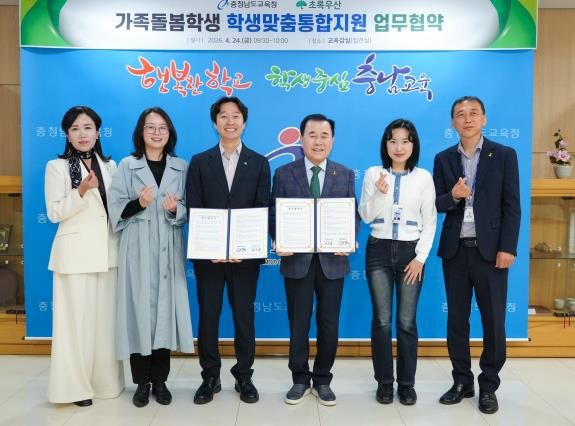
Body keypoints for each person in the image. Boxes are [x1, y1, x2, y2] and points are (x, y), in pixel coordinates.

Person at [433, 96, 520, 414]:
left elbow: (512, 205)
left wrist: (507, 247)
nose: (467, 118)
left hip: (491, 253)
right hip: (455, 252)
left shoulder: (504, 155)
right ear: (453, 122)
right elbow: (437, 203)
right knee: (457, 320)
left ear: (484, 119)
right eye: (460, 114)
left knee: (493, 321)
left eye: (473, 113)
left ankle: (489, 385)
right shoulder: (443, 159)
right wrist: (453, 196)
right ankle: (462, 381)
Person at [185, 96, 270, 405]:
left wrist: (241, 246)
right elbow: (194, 207)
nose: (230, 121)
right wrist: (212, 246)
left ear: (244, 122)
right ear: (215, 122)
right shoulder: (200, 161)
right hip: (209, 257)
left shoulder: (259, 162)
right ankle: (210, 376)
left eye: (236, 116)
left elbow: (262, 208)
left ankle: (244, 375)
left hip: (244, 257)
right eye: (224, 116)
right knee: (208, 316)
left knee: (244, 316)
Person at [108, 107, 194, 408]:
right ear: (140, 132)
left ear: (170, 133)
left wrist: (175, 210)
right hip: (137, 247)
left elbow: (190, 210)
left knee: (164, 314)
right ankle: (141, 383)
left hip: (168, 246)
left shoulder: (181, 167)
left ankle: (160, 381)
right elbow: (114, 207)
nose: (157, 133)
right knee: (139, 312)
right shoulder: (127, 165)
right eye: (150, 127)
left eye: (162, 128)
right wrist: (139, 203)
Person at [270, 113, 358, 407]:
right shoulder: (284, 173)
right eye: (312, 135)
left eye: (324, 135)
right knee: (298, 323)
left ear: (332, 140)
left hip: (333, 261)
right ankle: (299, 378)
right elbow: (274, 213)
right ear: (301, 138)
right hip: (297, 260)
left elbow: (352, 214)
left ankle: (322, 379)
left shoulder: (344, 174)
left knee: (329, 324)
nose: (318, 141)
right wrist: (278, 239)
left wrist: (350, 238)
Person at [45, 106, 124, 406]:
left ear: (98, 132)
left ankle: (105, 384)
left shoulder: (111, 166)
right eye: (75, 128)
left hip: (108, 255)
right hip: (74, 257)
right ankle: (74, 390)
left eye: (88, 127)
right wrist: (79, 191)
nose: (82, 134)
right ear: (67, 134)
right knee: (74, 327)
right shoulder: (57, 167)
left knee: (105, 327)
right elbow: (54, 212)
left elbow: (116, 209)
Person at [358, 119, 437, 406]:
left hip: (410, 253)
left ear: (413, 145)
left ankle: (406, 384)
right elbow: (365, 215)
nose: (399, 147)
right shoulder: (373, 173)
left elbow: (430, 221)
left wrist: (420, 258)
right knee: (381, 321)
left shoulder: (423, 177)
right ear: (385, 145)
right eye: (393, 141)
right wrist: (380, 192)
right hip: (378, 250)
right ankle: (384, 383)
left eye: (405, 141)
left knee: (406, 321)